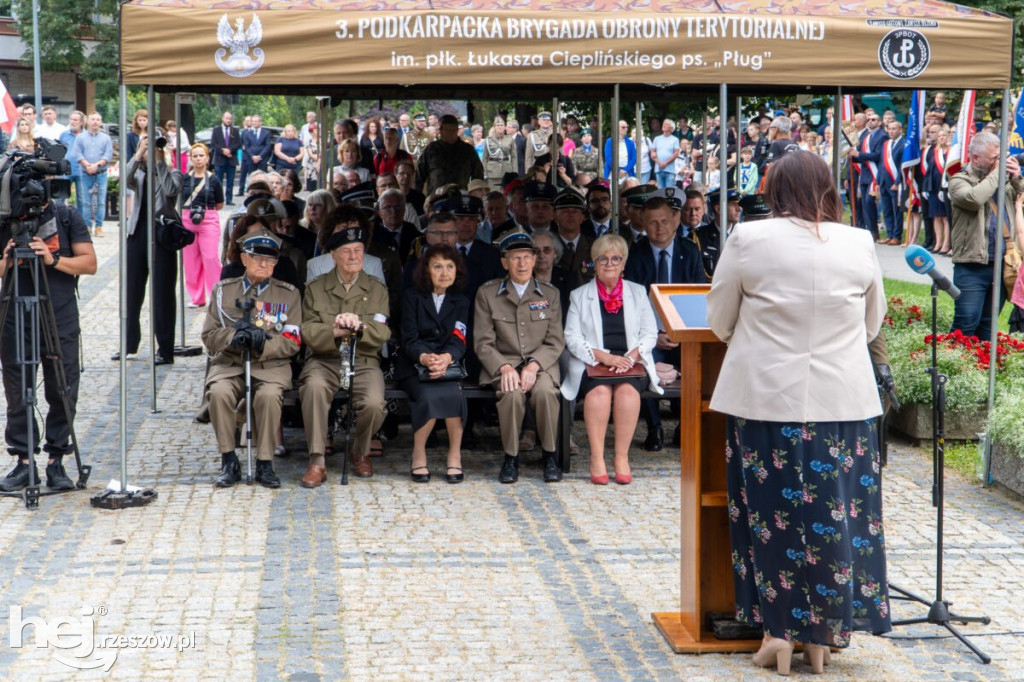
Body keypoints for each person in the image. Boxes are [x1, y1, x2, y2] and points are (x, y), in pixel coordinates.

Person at [706, 150, 890, 674]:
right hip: (843, 405)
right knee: (840, 519)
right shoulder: (858, 242)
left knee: (769, 517)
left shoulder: (749, 237)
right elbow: (871, 323)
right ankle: (823, 638)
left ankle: (777, 633)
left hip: (766, 399)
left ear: (774, 189)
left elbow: (720, 319)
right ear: (828, 187)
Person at [0, 186, 97, 492]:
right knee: (17, 389)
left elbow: (89, 263)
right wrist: (7, 262)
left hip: (60, 314)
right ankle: (23, 461)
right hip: (15, 313)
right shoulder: (5, 221)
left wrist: (53, 260)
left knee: (63, 387)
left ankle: (57, 460)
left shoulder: (66, 216)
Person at [202, 231, 301, 489]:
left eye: (270, 260)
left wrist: (263, 342)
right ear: (244, 258)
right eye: (257, 258)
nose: (264, 265)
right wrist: (233, 337)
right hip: (230, 362)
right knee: (220, 392)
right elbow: (209, 335)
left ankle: (265, 462)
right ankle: (228, 459)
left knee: (268, 396)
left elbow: (293, 340)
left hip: (271, 365)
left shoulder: (288, 295)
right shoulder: (223, 291)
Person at [562, 234, 660, 485]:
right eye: (602, 258)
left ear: (624, 263)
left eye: (616, 258)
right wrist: (604, 357)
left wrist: (631, 357)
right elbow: (571, 337)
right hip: (594, 363)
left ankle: (621, 458)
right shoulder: (579, 295)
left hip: (630, 361)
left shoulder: (638, 292)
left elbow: (650, 333)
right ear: (593, 262)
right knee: (599, 395)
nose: (609, 263)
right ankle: (596, 458)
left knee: (628, 393)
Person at [298, 223, 390, 483]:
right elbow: (307, 331)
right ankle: (317, 460)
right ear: (333, 256)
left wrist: (361, 327)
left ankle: (360, 451)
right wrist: (334, 330)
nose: (353, 257)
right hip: (324, 359)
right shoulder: (316, 288)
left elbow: (382, 332)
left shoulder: (376, 288)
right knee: (313, 389)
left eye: (358, 251)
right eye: (347, 251)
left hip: (363, 359)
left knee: (374, 403)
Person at [474, 229, 565, 484]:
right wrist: (503, 367)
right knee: (511, 394)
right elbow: (483, 342)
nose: (522, 263)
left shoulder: (550, 294)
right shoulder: (488, 293)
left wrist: (534, 365)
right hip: (503, 362)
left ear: (535, 260)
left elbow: (556, 340)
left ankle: (549, 455)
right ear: (505, 262)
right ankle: (510, 457)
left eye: (527, 257)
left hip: (542, 364)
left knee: (546, 393)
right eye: (515, 258)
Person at [623, 193, 705, 451]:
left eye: (664, 221)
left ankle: (684, 425)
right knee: (644, 360)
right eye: (652, 222)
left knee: (696, 365)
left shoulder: (690, 252)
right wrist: (654, 333)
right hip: (649, 332)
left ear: (675, 220)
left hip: (684, 331)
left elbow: (699, 297)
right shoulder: (636, 254)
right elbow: (633, 301)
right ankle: (654, 427)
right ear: (643, 224)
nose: (659, 228)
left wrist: (681, 332)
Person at [398, 243, 470, 483]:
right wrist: (426, 358)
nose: (444, 272)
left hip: (447, 365)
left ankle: (455, 455)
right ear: (426, 270)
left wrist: (446, 359)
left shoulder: (461, 301)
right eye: (437, 266)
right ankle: (418, 454)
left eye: (450, 266)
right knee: (429, 396)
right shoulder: (411, 297)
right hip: (415, 364)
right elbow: (409, 338)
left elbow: (460, 338)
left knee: (454, 395)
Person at [948, 132, 1024, 340]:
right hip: (971, 266)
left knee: (988, 326)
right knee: (966, 323)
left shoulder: (1003, 180)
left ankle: (980, 370)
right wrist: (998, 172)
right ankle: (956, 368)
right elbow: (975, 198)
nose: (998, 163)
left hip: (1001, 265)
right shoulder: (958, 181)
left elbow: (1022, 197)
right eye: (993, 159)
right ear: (975, 158)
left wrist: (1016, 176)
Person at [118, 131, 183, 366]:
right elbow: (123, 181)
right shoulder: (139, 172)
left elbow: (171, 191)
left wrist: (159, 162)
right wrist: (137, 155)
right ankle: (128, 344)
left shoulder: (173, 172)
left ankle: (165, 349)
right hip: (137, 233)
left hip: (162, 235)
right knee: (132, 291)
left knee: (162, 294)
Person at [180, 143, 225, 307]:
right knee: (190, 260)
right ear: (191, 159)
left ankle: (215, 296)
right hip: (187, 218)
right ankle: (197, 297)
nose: (198, 159)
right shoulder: (185, 178)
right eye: (195, 156)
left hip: (208, 218)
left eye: (201, 156)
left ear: (207, 158)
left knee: (211, 257)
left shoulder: (214, 179)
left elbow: (220, 203)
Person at [416, 114, 485, 197]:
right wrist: (418, 198)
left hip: (461, 198)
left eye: (453, 130)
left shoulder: (467, 150)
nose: (451, 133)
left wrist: (475, 195)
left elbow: (478, 176)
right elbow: (419, 176)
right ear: (441, 131)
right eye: (447, 130)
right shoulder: (432, 149)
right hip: (436, 198)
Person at [72, 112, 113, 238]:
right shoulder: (80, 137)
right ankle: (88, 227)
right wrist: (87, 165)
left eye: (98, 120)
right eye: (93, 119)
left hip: (101, 172)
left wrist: (97, 165)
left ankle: (99, 227)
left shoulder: (106, 138)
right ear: (88, 122)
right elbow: (77, 154)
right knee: (86, 202)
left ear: (101, 122)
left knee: (101, 201)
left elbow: (108, 155)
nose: (95, 122)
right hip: (85, 172)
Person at [878, 120, 906, 245]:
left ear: (900, 130)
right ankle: (889, 234)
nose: (891, 131)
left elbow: (902, 165)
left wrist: (898, 181)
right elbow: (881, 163)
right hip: (884, 181)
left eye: (894, 128)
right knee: (887, 210)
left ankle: (896, 235)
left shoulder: (904, 144)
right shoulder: (886, 144)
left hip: (895, 182)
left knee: (897, 211)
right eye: (889, 129)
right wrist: (878, 181)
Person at [210, 111, 241, 205]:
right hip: (219, 159)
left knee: (230, 181)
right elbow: (213, 144)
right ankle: (218, 199)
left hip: (231, 159)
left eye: (230, 119)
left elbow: (238, 143)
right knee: (218, 181)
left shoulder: (235, 130)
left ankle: (229, 199)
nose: (228, 120)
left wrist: (230, 150)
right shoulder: (216, 130)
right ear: (223, 118)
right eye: (227, 118)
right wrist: (222, 150)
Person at [483, 117, 517, 189]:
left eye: (502, 125)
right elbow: (485, 158)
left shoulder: (510, 139)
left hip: (507, 170)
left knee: (506, 193)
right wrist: (485, 173)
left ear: (505, 127)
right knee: (494, 194)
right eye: (498, 125)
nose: (500, 127)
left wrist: (515, 172)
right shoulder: (488, 140)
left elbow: (514, 157)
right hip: (492, 172)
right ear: (494, 127)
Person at [652, 120, 681, 189]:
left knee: (669, 192)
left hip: (670, 170)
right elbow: (652, 152)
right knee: (660, 191)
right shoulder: (657, 139)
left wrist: (665, 163)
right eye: (664, 123)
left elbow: (676, 154)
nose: (664, 125)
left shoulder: (675, 139)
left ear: (671, 129)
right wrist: (659, 163)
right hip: (658, 169)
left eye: (667, 124)